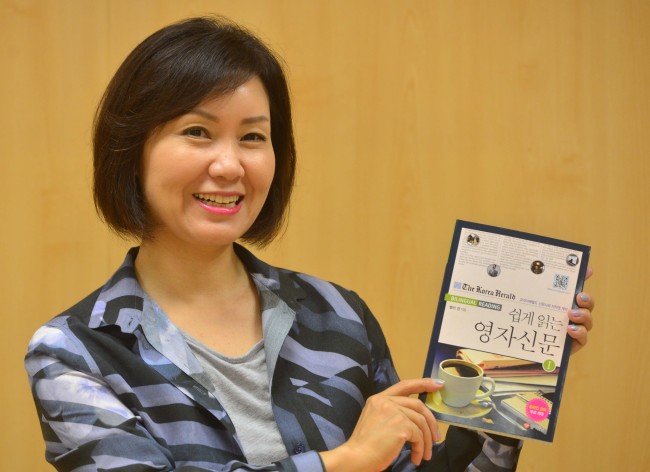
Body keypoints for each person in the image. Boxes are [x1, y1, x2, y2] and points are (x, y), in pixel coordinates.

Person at [24, 17, 595, 472]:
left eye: (253, 137)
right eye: (197, 132)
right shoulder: (75, 352)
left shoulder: (339, 315)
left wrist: (506, 378)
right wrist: (342, 463)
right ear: (132, 150)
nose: (229, 164)